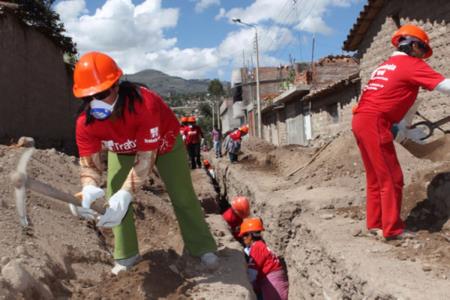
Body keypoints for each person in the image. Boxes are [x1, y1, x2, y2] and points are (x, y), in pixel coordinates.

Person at [72, 51, 218, 274]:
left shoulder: (144, 105)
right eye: (88, 97)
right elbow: (90, 165)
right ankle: (126, 255)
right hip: (122, 151)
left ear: (116, 85)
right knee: (115, 200)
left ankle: (202, 247)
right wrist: (89, 187)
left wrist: (127, 192)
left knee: (181, 195)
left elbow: (146, 160)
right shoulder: (85, 123)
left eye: (101, 93)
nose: (95, 102)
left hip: (164, 145)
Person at [352, 24, 450, 240]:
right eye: (423, 50)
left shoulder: (385, 66)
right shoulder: (410, 64)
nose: (423, 56)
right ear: (412, 45)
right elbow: (445, 86)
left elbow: (391, 98)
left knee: (376, 177)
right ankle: (392, 230)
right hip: (376, 121)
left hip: (362, 120)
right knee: (392, 177)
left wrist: (401, 129)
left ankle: (376, 224)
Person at [240, 217, 289, 300]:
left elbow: (252, 273)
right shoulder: (261, 245)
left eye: (245, 235)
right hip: (275, 282)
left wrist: (244, 284)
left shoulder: (256, 247)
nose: (243, 238)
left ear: (251, 235)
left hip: (273, 283)